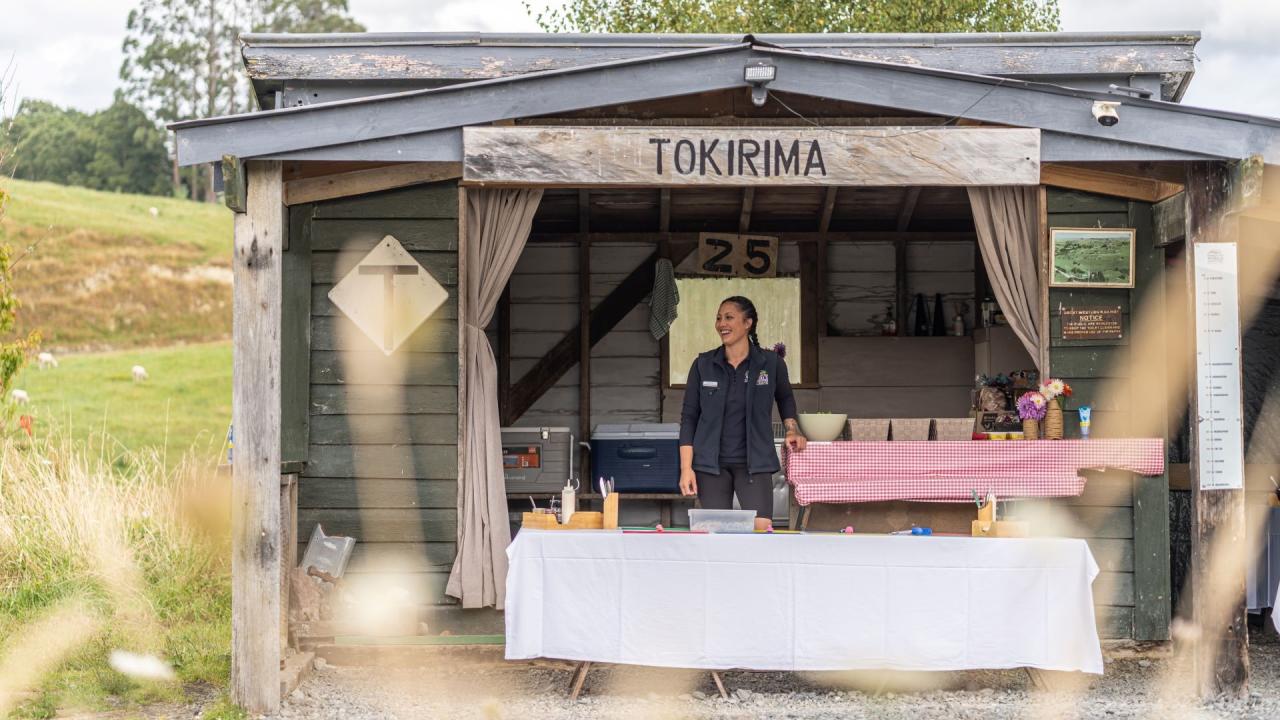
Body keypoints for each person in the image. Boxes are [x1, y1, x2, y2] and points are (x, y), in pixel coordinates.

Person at [678, 296, 806, 530]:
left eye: (729, 317)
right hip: (710, 466)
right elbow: (689, 418)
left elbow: (785, 398)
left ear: (748, 323)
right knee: (716, 533)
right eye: (718, 318)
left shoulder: (770, 363)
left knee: (760, 530)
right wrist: (686, 469)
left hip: (754, 463)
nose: (721, 324)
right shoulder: (703, 364)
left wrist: (792, 430)